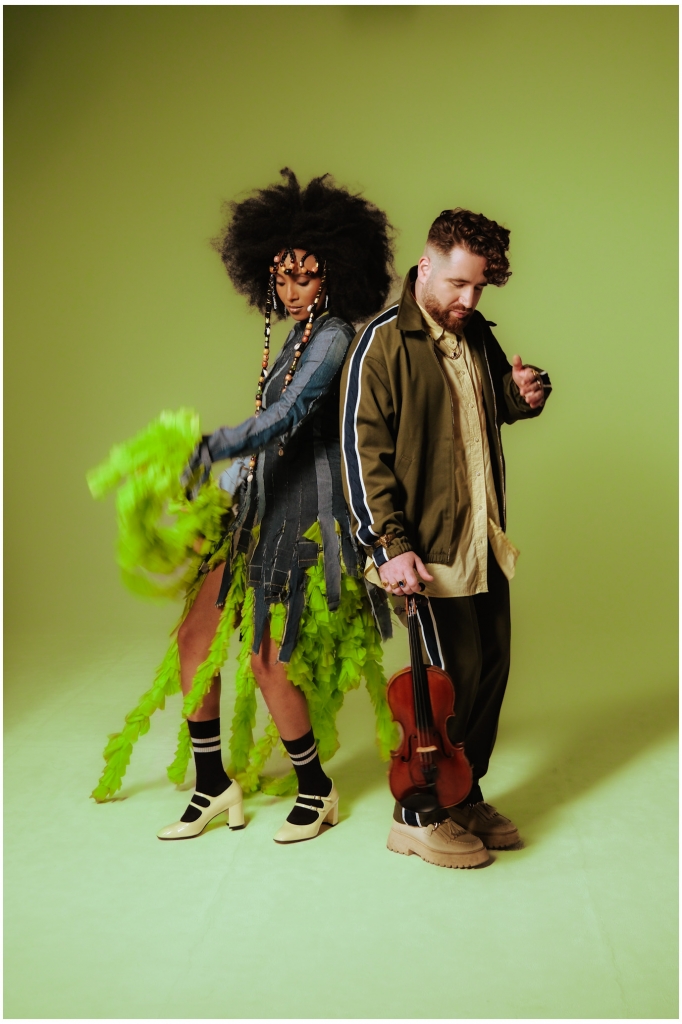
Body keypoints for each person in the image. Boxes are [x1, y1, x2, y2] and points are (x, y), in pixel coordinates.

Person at [92, 169, 396, 843]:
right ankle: (212, 785)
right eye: (282, 277)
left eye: (306, 277)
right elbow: (268, 432)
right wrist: (224, 486)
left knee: (265, 660)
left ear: (334, 274)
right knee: (193, 640)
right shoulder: (293, 335)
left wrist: (211, 446)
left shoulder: (333, 336)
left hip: (302, 513)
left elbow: (288, 417)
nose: (291, 290)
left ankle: (316, 789)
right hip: (254, 507)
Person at [340, 207, 551, 869]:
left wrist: (522, 393)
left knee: (490, 670)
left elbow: (487, 406)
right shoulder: (381, 344)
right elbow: (361, 453)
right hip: (421, 551)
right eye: (459, 283)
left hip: (481, 537)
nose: (469, 299)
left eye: (479, 287)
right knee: (445, 684)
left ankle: (463, 794)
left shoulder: (474, 333)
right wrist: (387, 545)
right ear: (425, 265)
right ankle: (418, 815)